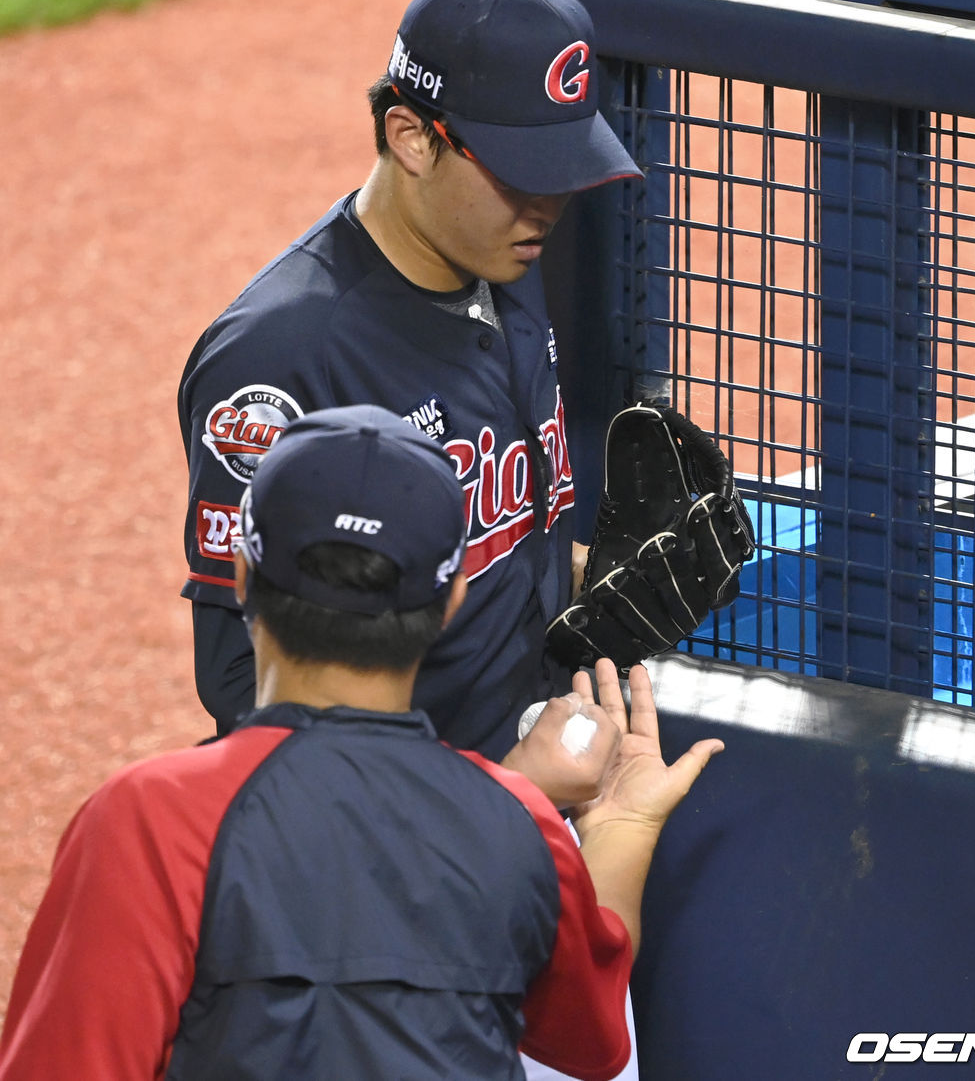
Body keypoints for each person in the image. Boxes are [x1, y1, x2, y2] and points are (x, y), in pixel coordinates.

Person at [0, 406, 723, 1080]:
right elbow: (591, 1039)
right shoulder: (515, 823)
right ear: (452, 601)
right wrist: (625, 826)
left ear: (243, 575)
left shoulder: (151, 821)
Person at [178, 0, 643, 755]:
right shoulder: (283, 357)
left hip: (525, 777)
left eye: (562, 174)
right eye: (521, 174)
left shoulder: (504, 258)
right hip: (391, 837)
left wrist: (597, 579)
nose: (547, 208)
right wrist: (495, 797)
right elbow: (244, 684)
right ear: (412, 137)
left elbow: (495, 542)